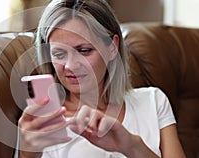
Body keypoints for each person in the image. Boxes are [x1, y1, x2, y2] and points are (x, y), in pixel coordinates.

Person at [16, 0, 186, 158]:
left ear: (112, 47)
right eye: (59, 54)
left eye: (84, 51)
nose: (70, 66)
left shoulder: (153, 102)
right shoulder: (43, 125)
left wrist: (132, 147)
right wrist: (26, 154)